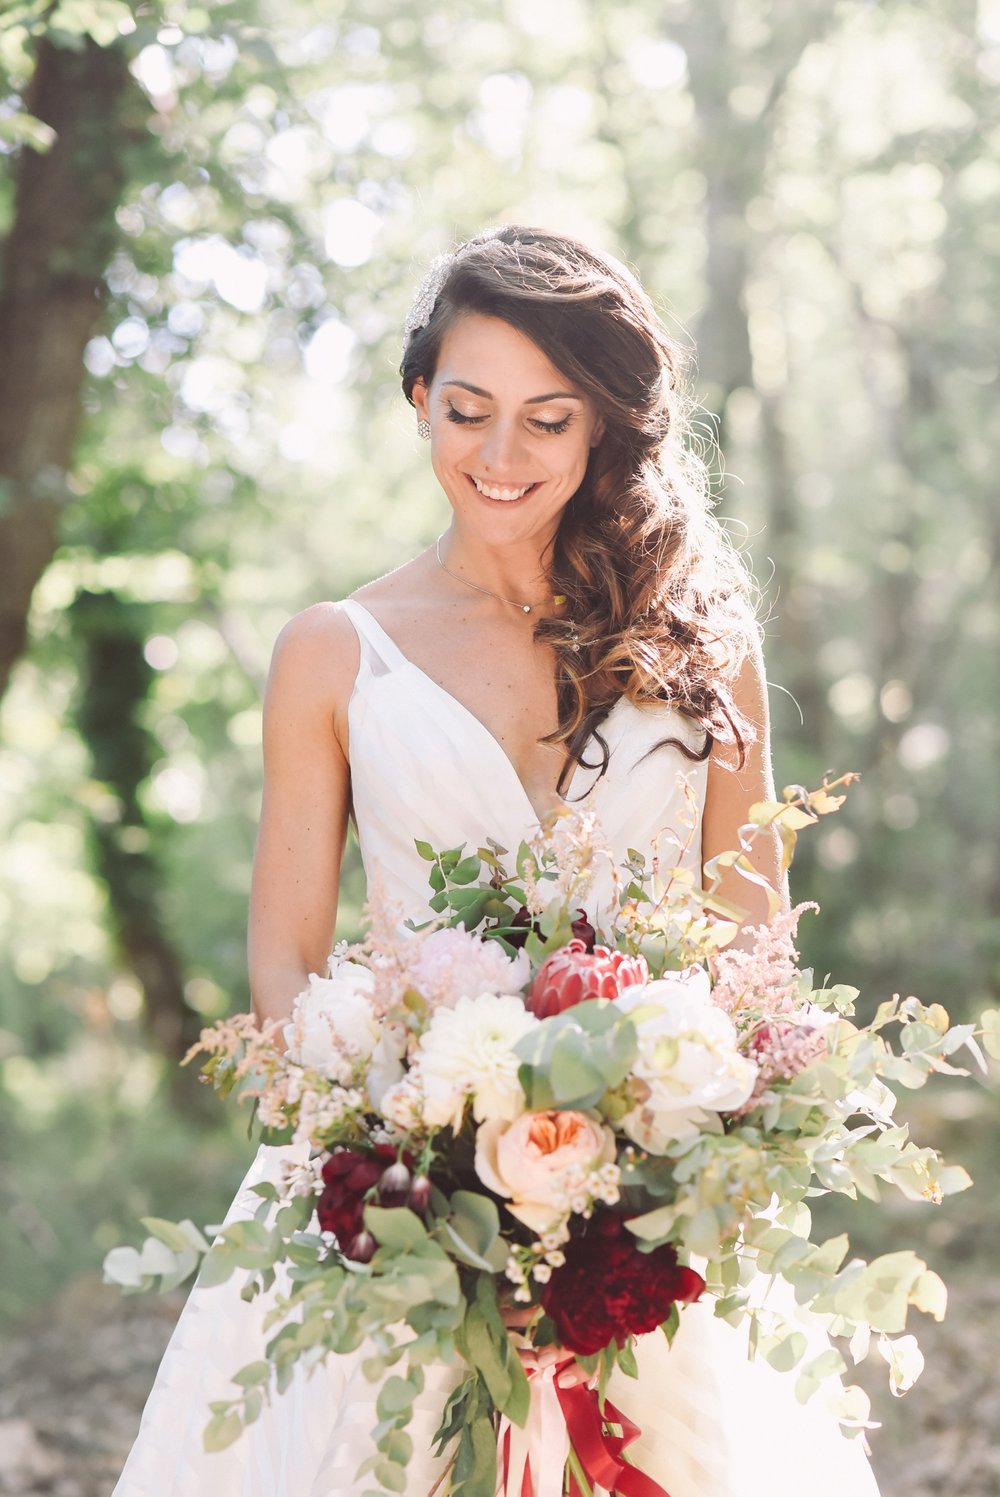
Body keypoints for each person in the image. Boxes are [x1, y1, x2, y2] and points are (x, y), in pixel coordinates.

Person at [113, 226, 880, 1495]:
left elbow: (752, 933)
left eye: (547, 419)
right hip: (399, 1195)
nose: (501, 455)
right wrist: (407, 1165)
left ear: (602, 432)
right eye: (468, 411)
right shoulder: (334, 652)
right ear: (420, 401)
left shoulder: (700, 637)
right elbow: (288, 961)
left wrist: (684, 1153)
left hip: (650, 1192)